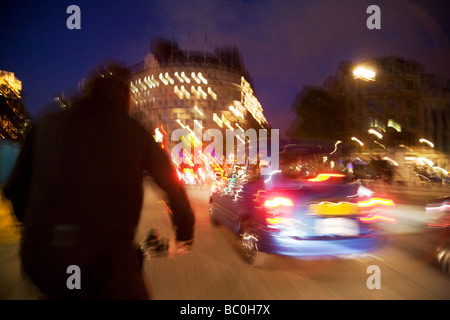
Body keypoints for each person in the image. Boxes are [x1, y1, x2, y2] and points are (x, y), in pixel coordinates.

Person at [2, 61, 195, 299]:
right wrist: (183, 234)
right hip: (106, 259)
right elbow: (173, 187)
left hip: (40, 257)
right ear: (126, 100)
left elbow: (14, 188)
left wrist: (36, 225)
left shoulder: (46, 125)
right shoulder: (135, 132)